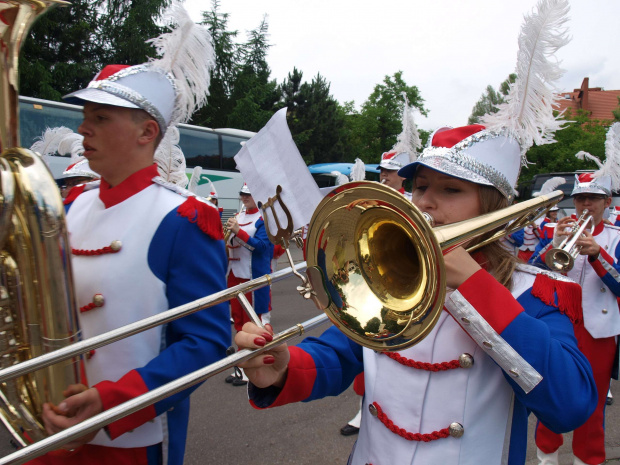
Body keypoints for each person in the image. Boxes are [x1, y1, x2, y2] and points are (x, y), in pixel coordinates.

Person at [235, 124, 597, 465]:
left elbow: (570, 405)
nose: (425, 203)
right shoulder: (383, 272)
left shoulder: (533, 292)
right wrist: (282, 369)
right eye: (421, 187)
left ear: (493, 208)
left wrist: (474, 284)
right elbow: (342, 353)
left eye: (451, 190)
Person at [29, 4, 231, 465]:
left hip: (128, 440)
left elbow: (205, 344)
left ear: (147, 132)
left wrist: (112, 401)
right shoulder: (69, 205)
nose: (83, 127)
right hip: (45, 424)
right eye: (87, 115)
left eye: (101, 117)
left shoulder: (185, 218)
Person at [535, 172, 620, 462]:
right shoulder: (559, 233)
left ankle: (587, 459)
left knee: (593, 403)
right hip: (560, 326)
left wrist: (599, 256)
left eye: (593, 199)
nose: (586, 204)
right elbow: (533, 274)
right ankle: (546, 458)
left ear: (607, 202)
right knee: (550, 394)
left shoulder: (615, 238)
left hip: (599, 331)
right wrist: (555, 243)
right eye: (581, 198)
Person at [224, 183, 274, 386]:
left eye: (248, 194)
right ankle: (242, 366)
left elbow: (262, 248)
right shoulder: (239, 215)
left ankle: (257, 367)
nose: (244, 197)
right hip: (235, 275)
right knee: (238, 321)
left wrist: (239, 233)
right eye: (242, 194)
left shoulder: (264, 219)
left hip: (253, 277)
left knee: (255, 323)